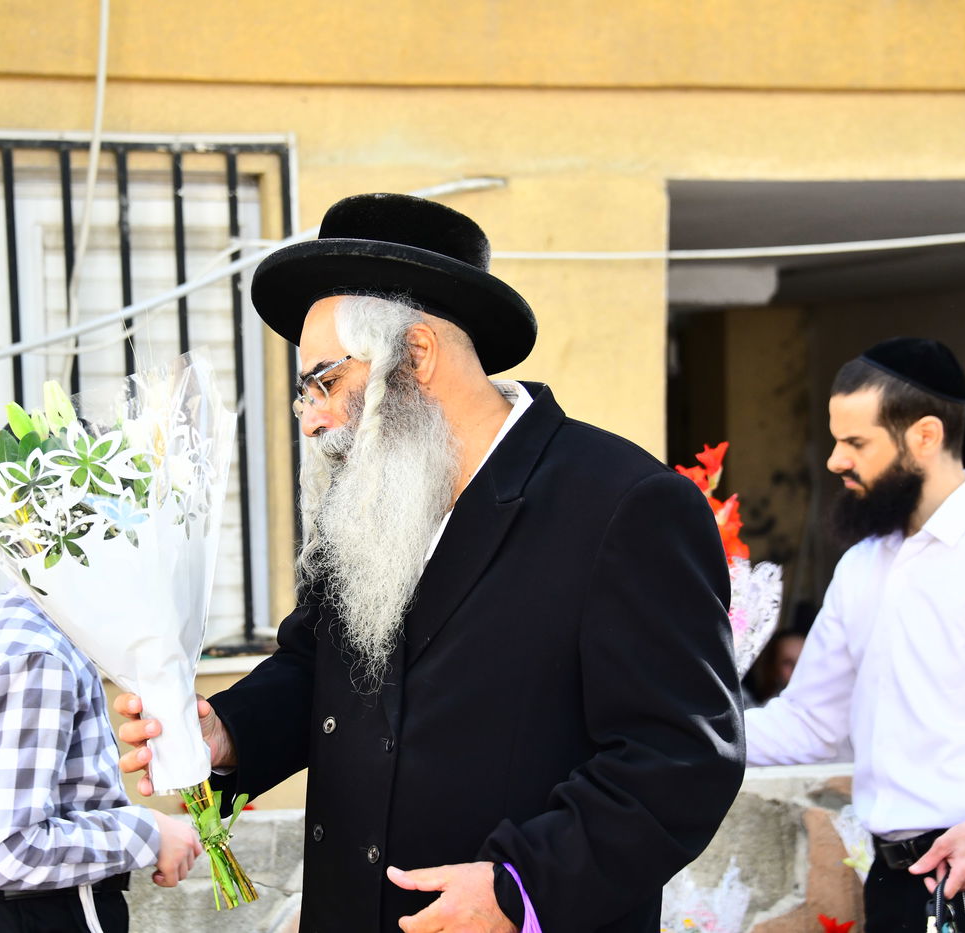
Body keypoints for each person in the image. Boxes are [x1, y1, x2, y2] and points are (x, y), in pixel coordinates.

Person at [116, 193, 745, 932]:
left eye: (324, 381)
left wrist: (521, 886)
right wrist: (225, 733)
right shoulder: (370, 506)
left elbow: (683, 756)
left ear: (415, 356)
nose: (309, 416)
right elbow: (313, 666)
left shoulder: (623, 502)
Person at [744, 337, 965, 932]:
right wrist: (674, 726)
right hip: (889, 884)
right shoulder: (861, 567)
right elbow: (809, 723)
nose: (835, 461)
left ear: (925, 438)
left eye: (855, 443)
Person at [0, 587, 203, 933]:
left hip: (16, 912)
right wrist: (149, 833)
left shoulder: (21, 626)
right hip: (36, 914)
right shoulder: (41, 655)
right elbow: (10, 851)